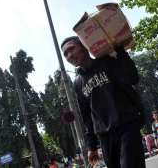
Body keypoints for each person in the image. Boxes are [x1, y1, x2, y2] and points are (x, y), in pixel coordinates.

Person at [61, 36, 145, 168]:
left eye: (72, 49)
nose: (69, 55)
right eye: (65, 54)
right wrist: (92, 146)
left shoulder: (107, 62)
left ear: (83, 46)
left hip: (127, 126)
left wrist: (121, 51)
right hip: (105, 137)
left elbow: (133, 78)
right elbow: (87, 116)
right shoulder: (78, 83)